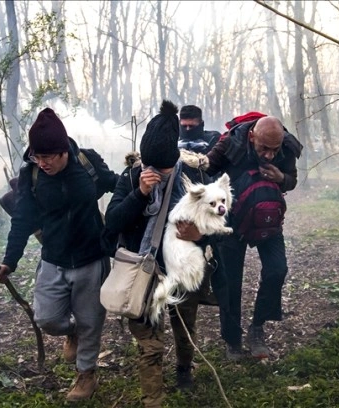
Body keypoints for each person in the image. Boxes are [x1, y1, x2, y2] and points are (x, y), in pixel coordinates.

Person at [0, 107, 119, 401]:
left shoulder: (87, 164)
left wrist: (139, 186)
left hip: (92, 258)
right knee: (47, 318)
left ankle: (86, 376)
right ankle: (70, 332)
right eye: (37, 156)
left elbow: (116, 185)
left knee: (92, 321)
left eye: (48, 156)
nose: (43, 162)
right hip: (53, 259)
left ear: (64, 151)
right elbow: (22, 218)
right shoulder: (32, 174)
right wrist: (10, 260)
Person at [103, 100, 218, 407]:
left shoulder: (194, 178)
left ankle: (184, 370)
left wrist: (201, 233)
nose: (153, 172)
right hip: (143, 270)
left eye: (161, 167)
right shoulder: (130, 176)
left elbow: (220, 220)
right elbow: (113, 222)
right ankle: (153, 397)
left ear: (175, 159)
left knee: (184, 329)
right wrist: (139, 194)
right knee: (148, 341)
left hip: (182, 267)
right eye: (148, 165)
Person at [203, 115, 302, 360]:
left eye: (273, 150)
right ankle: (232, 340)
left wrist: (281, 178)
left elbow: (292, 180)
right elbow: (204, 171)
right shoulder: (229, 143)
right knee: (230, 282)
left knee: (277, 270)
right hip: (232, 222)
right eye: (263, 149)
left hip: (268, 220)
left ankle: (257, 328)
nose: (268, 155)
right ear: (252, 137)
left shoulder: (286, 148)